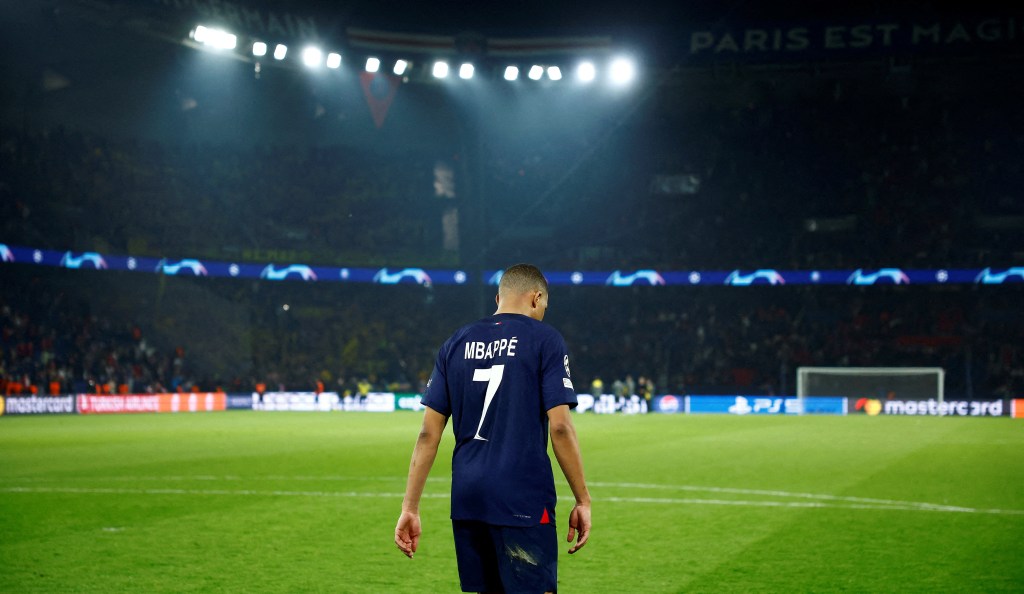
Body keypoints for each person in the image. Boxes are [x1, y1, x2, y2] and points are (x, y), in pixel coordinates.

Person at [395, 263, 591, 593]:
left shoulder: (455, 343)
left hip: (469, 499)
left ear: (498, 297)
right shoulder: (545, 339)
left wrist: (409, 508)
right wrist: (582, 499)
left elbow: (429, 434)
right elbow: (560, 428)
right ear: (537, 297)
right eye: (544, 306)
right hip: (521, 498)